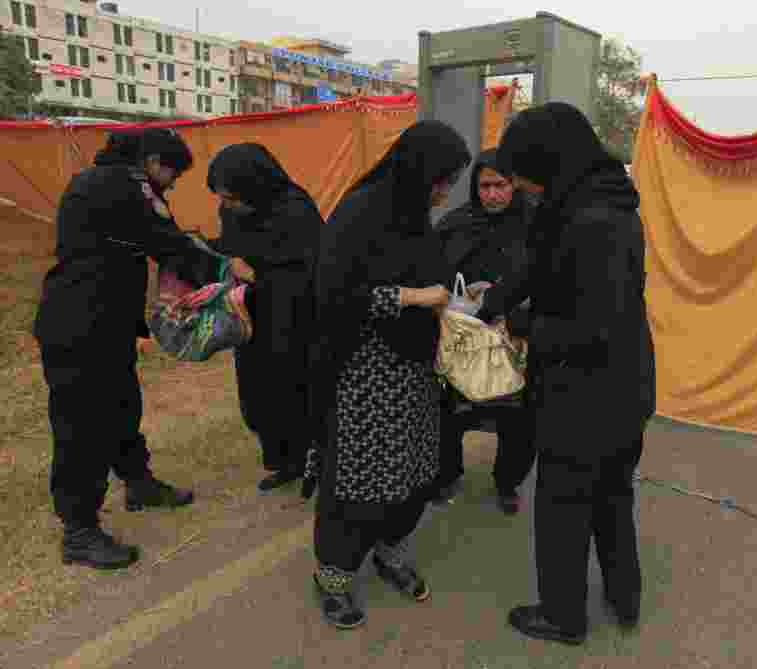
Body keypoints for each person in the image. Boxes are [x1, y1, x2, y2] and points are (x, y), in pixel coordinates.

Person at [474, 103, 656, 644]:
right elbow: (543, 268)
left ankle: (561, 615)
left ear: (549, 162)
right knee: (613, 495)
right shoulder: (593, 199)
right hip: (625, 383)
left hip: (588, 392)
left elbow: (592, 324)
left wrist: (523, 328)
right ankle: (625, 599)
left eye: (527, 178)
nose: (525, 190)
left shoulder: (592, 220)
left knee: (563, 504)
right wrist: (493, 304)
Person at [307, 121, 471, 629]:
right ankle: (333, 577)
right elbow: (334, 294)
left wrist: (455, 301)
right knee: (358, 481)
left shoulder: (414, 215)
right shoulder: (360, 212)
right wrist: (411, 297)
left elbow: (431, 272)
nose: (444, 191)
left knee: (414, 473)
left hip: (415, 371)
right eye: (441, 179)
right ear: (417, 170)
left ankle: (390, 551)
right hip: (364, 373)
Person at [33, 129, 214, 570]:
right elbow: (167, 242)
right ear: (151, 161)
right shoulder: (128, 186)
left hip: (96, 323)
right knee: (82, 426)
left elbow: (150, 240)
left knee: (120, 406)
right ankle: (79, 530)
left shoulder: (95, 180)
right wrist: (224, 270)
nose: (170, 185)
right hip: (82, 328)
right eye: (171, 174)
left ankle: (138, 482)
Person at [205, 143, 322, 492]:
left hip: (295, 319)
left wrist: (255, 274)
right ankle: (284, 462)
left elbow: (311, 272)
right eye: (221, 197)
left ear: (255, 185)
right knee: (259, 393)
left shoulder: (297, 211)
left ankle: (313, 462)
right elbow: (231, 249)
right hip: (252, 316)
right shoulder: (235, 211)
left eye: (231, 196)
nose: (225, 205)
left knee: (295, 390)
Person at [432, 148, 537, 513]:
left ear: (515, 185)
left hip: (516, 339)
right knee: (450, 411)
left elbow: (547, 278)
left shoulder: (536, 225)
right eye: (484, 186)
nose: (492, 194)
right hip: (463, 338)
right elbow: (435, 272)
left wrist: (510, 306)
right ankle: (447, 474)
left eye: (501, 185)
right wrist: (466, 292)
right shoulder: (456, 223)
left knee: (518, 417)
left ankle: (508, 482)